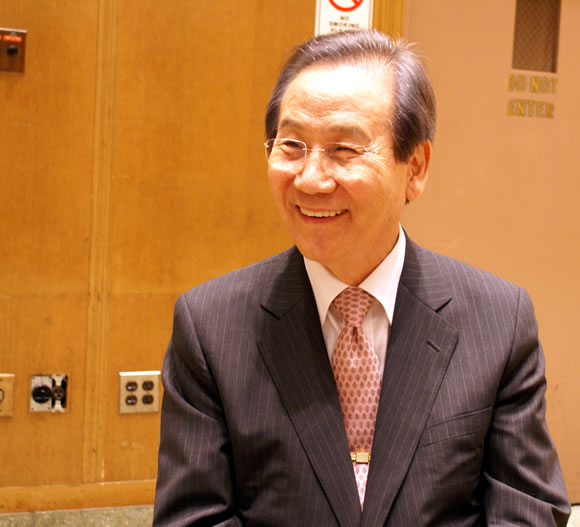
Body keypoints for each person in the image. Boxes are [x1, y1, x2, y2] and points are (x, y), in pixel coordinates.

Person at [153, 30, 570, 526]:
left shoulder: (498, 321)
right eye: (292, 145)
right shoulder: (211, 326)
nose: (310, 179)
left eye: (345, 149)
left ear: (415, 167)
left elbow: (527, 510)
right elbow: (194, 518)